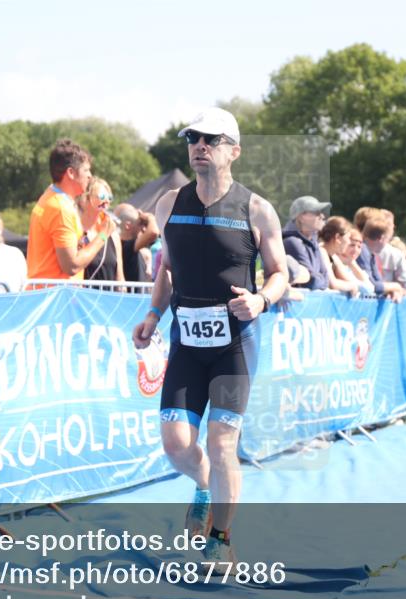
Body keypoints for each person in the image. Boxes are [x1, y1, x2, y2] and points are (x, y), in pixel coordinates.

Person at [132, 108, 288, 565]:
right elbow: (166, 267)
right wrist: (154, 314)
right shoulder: (167, 204)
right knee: (177, 445)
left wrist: (260, 300)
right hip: (187, 343)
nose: (199, 145)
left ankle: (220, 537)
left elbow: (279, 274)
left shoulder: (256, 209)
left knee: (222, 443)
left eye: (211, 139)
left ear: (233, 151)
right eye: (193, 138)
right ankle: (205, 487)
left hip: (233, 347)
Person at [26, 139, 110, 283]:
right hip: (57, 298)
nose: (90, 175)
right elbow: (71, 266)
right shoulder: (61, 208)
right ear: (71, 173)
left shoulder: (49, 196)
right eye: (86, 170)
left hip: (48, 294)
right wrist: (103, 235)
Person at [77, 178, 124, 283]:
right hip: (81, 297)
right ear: (85, 199)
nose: (107, 201)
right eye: (102, 197)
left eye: (109, 198)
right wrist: (103, 235)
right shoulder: (76, 232)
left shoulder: (113, 236)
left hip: (107, 298)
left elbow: (120, 278)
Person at [356, 209, 406, 299]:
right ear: (381, 238)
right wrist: (396, 286)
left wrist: (391, 291)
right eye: (387, 239)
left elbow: (378, 281)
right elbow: (372, 285)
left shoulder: (371, 254)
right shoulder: (362, 251)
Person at [282, 195, 331, 290]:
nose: (322, 216)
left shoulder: (313, 242)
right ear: (301, 217)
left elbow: (326, 281)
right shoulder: (292, 242)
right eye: (317, 212)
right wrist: (320, 279)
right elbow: (312, 282)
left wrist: (320, 279)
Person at [115, 204, 160, 282]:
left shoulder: (135, 248)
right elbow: (153, 232)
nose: (144, 229)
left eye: (145, 225)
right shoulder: (124, 245)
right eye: (140, 224)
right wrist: (150, 217)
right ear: (128, 225)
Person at [317, 216, 360, 297]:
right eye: (347, 238)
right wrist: (352, 286)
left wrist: (353, 285)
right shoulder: (322, 251)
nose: (348, 242)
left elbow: (349, 280)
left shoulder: (334, 256)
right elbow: (333, 284)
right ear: (337, 238)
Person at [338, 224, 377, 294]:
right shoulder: (336, 264)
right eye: (352, 245)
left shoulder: (351, 265)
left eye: (359, 247)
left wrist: (352, 264)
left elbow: (370, 287)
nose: (355, 250)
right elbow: (367, 290)